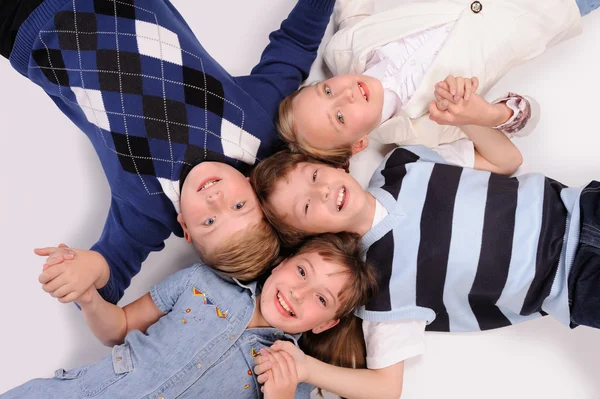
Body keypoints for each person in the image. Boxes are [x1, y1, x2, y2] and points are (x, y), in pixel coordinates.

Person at [0, 0, 335, 304]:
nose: (216, 199)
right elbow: (294, 47)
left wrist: (88, 274)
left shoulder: (148, 209)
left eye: (209, 221)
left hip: (24, 28)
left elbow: (111, 274)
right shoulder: (256, 126)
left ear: (186, 228)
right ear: (253, 186)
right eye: (238, 205)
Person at [250, 147, 600, 398]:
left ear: (337, 166)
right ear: (311, 235)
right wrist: (307, 369)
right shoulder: (378, 288)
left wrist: (471, 115)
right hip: (574, 281)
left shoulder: (402, 163)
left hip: (581, 204)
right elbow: (386, 389)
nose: (322, 190)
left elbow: (506, 160)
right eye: (307, 206)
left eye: (314, 175)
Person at [1, 233, 378, 399]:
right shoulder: (203, 281)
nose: (298, 292)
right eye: (301, 272)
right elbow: (117, 329)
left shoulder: (292, 375)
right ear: (281, 263)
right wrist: (88, 298)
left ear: (324, 323)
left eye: (321, 299)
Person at [276, 0, 593, 169]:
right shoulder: (425, 131)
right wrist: (482, 116)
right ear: (358, 144)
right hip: (547, 8)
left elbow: (353, 11)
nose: (345, 95)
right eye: (340, 117)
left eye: (327, 90)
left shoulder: (345, 47)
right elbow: (510, 158)